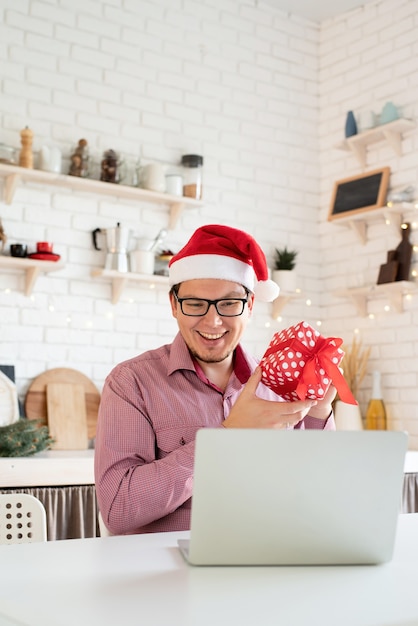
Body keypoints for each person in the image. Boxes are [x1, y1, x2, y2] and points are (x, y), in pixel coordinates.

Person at [95, 224, 336, 535]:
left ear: (249, 306)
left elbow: (318, 491)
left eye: (229, 303)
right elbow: (118, 509)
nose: (212, 321)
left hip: (267, 561)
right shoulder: (131, 383)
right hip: (166, 576)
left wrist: (319, 411)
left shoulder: (279, 383)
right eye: (195, 304)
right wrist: (226, 436)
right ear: (173, 305)